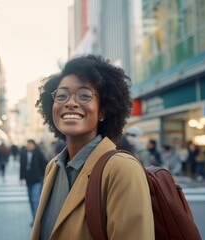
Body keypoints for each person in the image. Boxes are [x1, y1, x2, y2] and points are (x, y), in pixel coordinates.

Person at [32, 55, 154, 239]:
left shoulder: (122, 168)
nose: (70, 103)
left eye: (84, 95)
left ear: (103, 110)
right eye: (62, 95)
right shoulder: (53, 167)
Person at [19, 139, 48, 225]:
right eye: (28, 145)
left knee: (35, 198)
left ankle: (37, 219)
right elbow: (22, 166)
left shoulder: (38, 153)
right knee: (31, 200)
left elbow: (45, 164)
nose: (29, 146)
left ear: (34, 145)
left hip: (37, 180)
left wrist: (43, 176)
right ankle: (34, 217)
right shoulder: (23, 153)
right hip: (28, 180)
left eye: (30, 145)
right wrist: (21, 178)